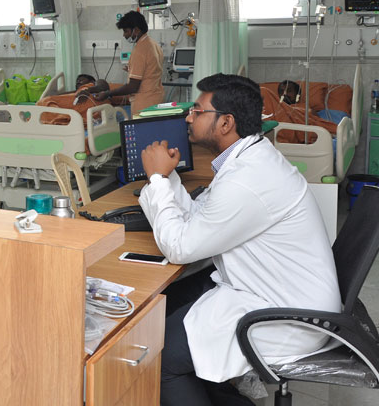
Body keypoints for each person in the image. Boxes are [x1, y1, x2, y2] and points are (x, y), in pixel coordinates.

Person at [137, 74, 340, 406]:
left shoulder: (248, 178)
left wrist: (158, 178)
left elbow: (181, 248)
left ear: (225, 123)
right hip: (273, 290)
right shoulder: (250, 159)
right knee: (166, 304)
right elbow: (202, 217)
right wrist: (169, 178)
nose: (188, 117)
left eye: (197, 111)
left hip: (288, 316)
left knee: (159, 356)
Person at [91, 10, 164, 116]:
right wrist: (132, 70)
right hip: (156, 99)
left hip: (144, 105)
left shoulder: (140, 50)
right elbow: (151, 71)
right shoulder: (154, 45)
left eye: (126, 31)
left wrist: (107, 93)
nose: (124, 35)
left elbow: (133, 87)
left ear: (136, 30)